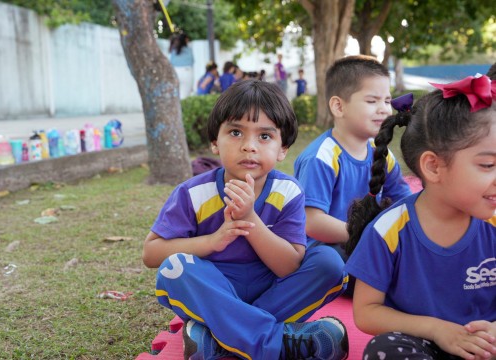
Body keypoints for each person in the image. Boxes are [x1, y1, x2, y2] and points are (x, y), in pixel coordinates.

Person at [143, 80, 349, 360]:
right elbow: (152, 253)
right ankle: (275, 343)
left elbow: (289, 266)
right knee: (175, 269)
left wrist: (249, 219)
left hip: (274, 290)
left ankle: (220, 337)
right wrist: (213, 241)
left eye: (265, 136)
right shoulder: (193, 193)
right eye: (236, 132)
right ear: (215, 142)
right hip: (215, 291)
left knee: (330, 264)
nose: (249, 146)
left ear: (282, 148)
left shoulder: (287, 191)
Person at [345, 74, 496, 360]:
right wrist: (437, 330)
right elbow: (366, 313)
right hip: (423, 344)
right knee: (384, 350)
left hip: (486, 343)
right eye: (488, 164)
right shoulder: (389, 230)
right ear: (433, 166)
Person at [293, 55, 412, 297]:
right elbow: (312, 222)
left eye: (387, 100)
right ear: (338, 106)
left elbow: (405, 201)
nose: (384, 109)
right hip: (329, 250)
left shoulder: (381, 153)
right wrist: (371, 235)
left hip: (367, 243)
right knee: (385, 277)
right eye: (372, 100)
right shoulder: (323, 157)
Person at [169, 32, 194, 99]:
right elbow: (192, 62)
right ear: (185, 40)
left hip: (175, 72)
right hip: (186, 71)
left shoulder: (173, 50)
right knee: (185, 96)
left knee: (176, 96)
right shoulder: (189, 49)